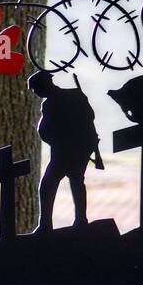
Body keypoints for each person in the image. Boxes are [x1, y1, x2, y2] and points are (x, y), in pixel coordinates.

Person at [27, 71, 100, 233]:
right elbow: (90, 116)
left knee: (48, 185)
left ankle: (47, 224)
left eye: (36, 89)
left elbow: (45, 129)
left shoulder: (51, 103)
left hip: (65, 151)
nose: (36, 93)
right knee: (76, 182)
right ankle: (80, 220)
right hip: (76, 149)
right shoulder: (75, 95)